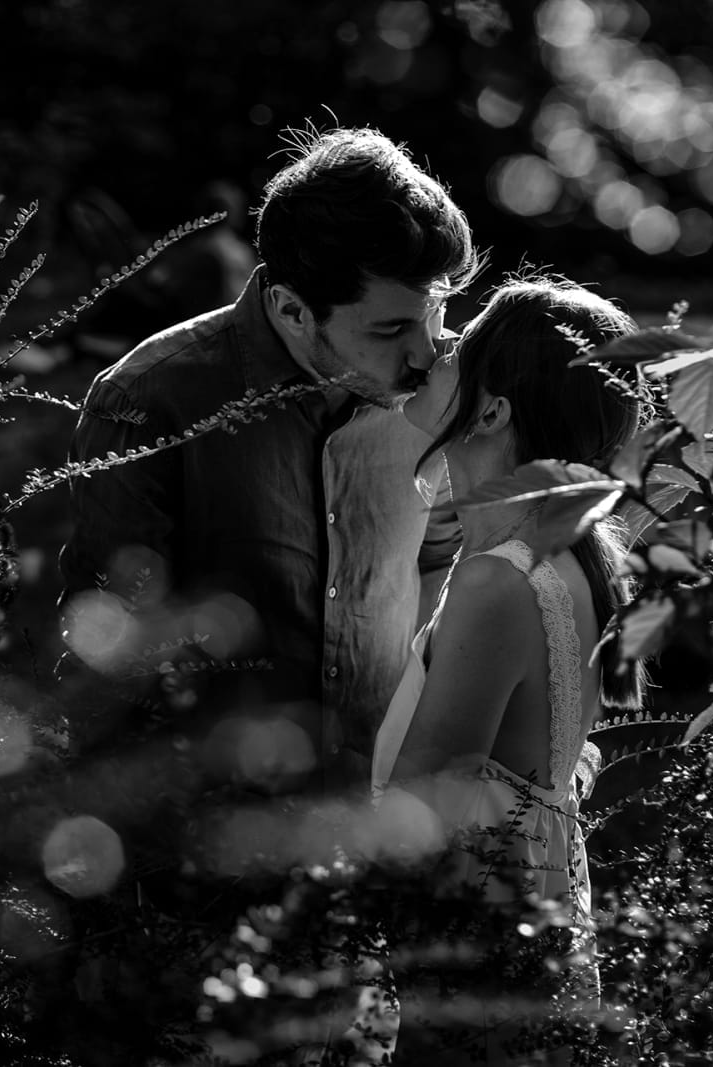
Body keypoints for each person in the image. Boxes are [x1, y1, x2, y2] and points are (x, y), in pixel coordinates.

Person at [57, 127, 478, 795]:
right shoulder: (147, 400)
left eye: (436, 315)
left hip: (387, 823)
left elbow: (443, 569)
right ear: (291, 308)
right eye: (393, 328)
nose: (429, 352)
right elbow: (112, 651)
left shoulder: (447, 391)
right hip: (211, 835)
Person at [370, 274, 649, 1065]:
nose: (437, 352)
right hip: (536, 917)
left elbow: (425, 795)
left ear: (492, 409)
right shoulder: (570, 565)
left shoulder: (499, 580)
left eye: (462, 347)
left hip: (476, 946)